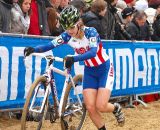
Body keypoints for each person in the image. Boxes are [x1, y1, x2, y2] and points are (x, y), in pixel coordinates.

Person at [24, 5, 125, 130]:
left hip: (104, 69)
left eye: (71, 27)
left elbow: (93, 52)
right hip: (90, 71)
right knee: (90, 107)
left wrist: (74, 58)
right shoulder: (67, 35)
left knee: (101, 106)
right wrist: (34, 49)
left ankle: (116, 108)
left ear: (79, 23)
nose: (69, 31)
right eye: (66, 28)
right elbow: (50, 45)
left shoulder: (91, 32)